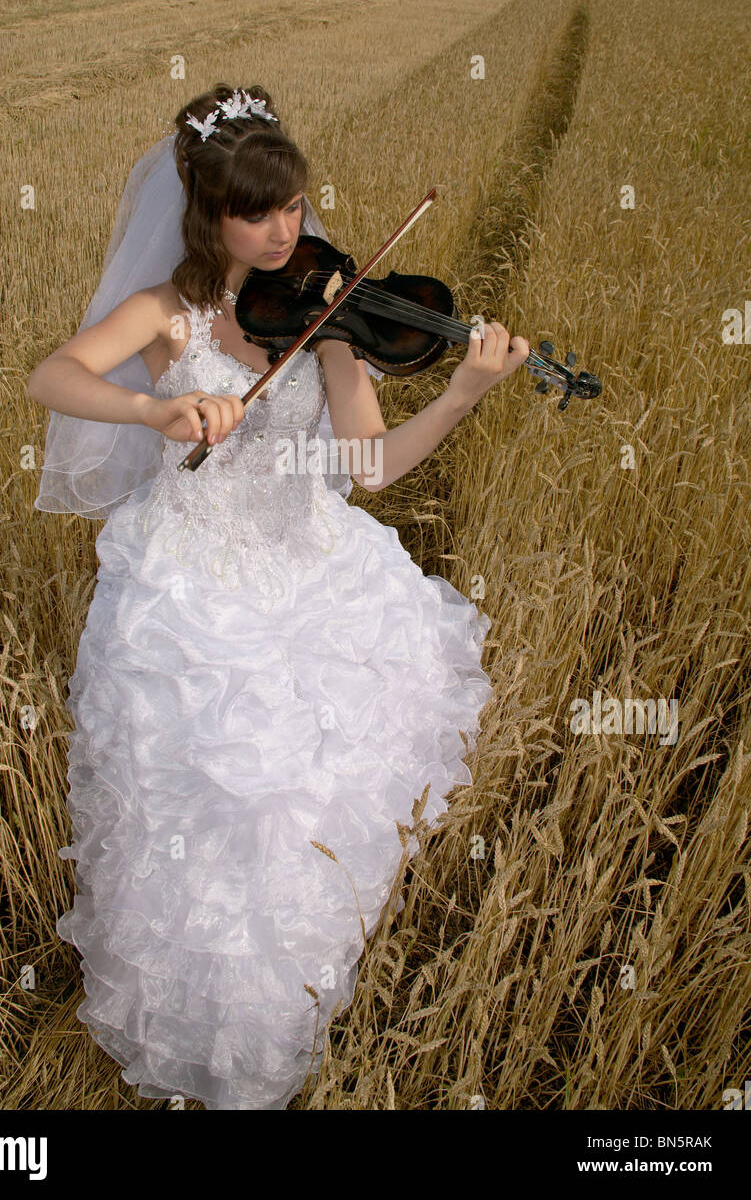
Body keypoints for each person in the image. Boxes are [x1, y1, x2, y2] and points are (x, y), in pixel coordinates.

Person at [26, 83, 530, 1110]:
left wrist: (460, 391)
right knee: (206, 811)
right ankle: (202, 1010)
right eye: (255, 213)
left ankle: (291, 993)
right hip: (191, 587)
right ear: (207, 213)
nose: (283, 233)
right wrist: (156, 409)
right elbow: (55, 375)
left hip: (308, 565)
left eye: (293, 207)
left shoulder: (329, 312)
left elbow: (372, 465)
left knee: (305, 817)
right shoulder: (170, 311)